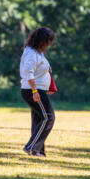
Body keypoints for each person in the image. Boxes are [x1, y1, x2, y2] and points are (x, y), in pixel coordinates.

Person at [20, 27, 56, 157]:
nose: (49, 44)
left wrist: (49, 85)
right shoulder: (31, 53)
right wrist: (35, 91)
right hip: (32, 90)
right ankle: (31, 147)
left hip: (38, 89)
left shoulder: (38, 52)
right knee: (48, 117)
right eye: (48, 41)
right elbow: (29, 74)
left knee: (40, 119)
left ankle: (38, 150)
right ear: (41, 40)